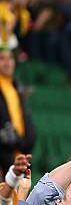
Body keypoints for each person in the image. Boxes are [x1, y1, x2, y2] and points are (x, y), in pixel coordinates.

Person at [0, 47, 35, 176]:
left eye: (10, 58)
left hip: (18, 154)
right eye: (2, 58)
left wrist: (25, 141)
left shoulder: (16, 87)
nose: (7, 62)